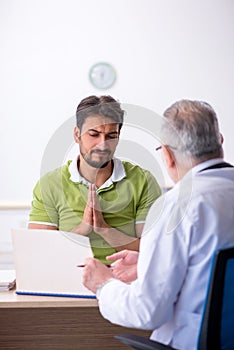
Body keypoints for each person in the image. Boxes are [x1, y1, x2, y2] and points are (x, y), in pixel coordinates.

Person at [82, 99, 234, 350]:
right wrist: (147, 264)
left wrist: (103, 284)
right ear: (220, 141)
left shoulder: (178, 206)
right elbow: (213, 273)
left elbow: (148, 312)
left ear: (167, 155)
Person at [28, 95, 161, 262]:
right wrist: (83, 229)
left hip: (124, 281)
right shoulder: (49, 184)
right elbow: (38, 253)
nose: (103, 145)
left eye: (111, 135)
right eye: (94, 134)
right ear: (77, 135)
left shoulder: (143, 181)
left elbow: (153, 249)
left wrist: (104, 229)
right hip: (68, 279)